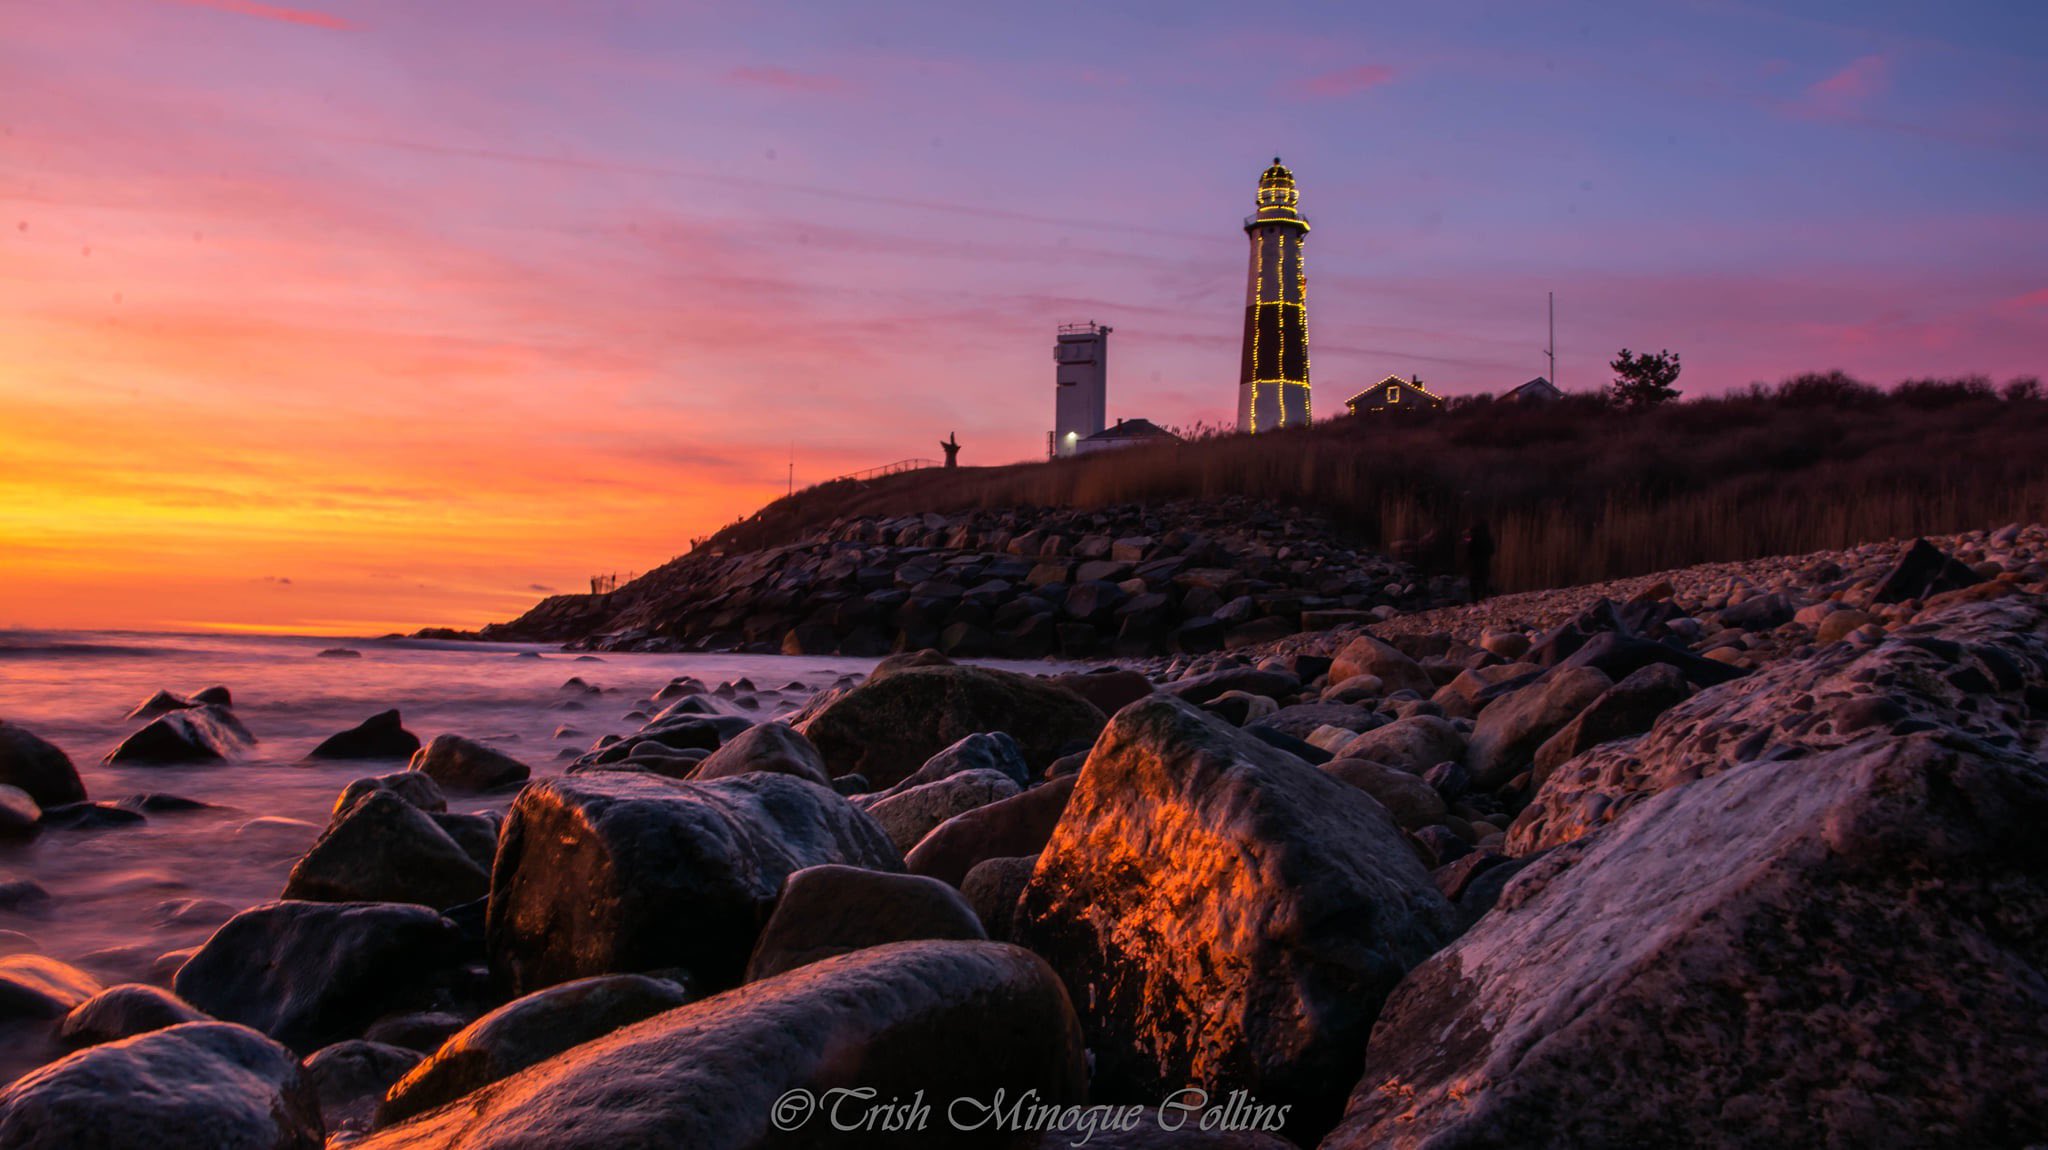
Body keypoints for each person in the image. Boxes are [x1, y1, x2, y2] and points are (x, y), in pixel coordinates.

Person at [1465, 519, 1495, 603]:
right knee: (1484, 582)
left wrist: (1468, 543)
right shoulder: (1488, 538)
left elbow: (1470, 552)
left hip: (1475, 564)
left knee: (1474, 583)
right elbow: (1492, 550)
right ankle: (1484, 600)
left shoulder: (1474, 538)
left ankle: (1475, 602)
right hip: (1485, 563)